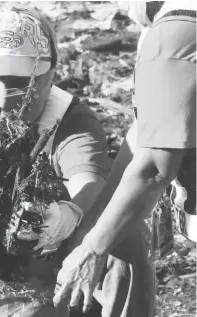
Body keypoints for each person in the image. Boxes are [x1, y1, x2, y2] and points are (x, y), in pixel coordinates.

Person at [0, 4, 155, 316]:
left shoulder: (70, 117)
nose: (3, 97)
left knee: (124, 237)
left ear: (49, 73)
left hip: (48, 247)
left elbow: (89, 183)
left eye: (19, 82)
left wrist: (68, 214)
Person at [53, 1, 196, 314]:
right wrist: (90, 227)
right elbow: (145, 132)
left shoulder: (175, 35)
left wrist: (92, 249)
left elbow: (154, 168)